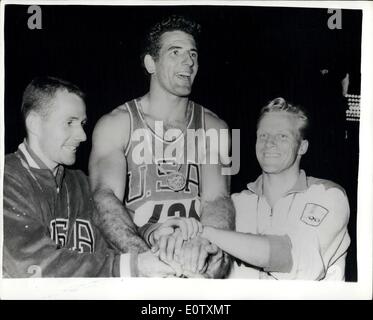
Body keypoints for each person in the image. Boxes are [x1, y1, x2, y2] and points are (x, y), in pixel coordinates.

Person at [89, 15, 235, 278]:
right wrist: (145, 259)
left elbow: (219, 200)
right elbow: (103, 197)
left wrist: (203, 245)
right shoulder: (114, 124)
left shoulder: (217, 127)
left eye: (193, 54)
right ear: (150, 63)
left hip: (194, 254)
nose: (188, 62)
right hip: (137, 250)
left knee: (218, 261)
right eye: (175, 52)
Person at [3, 76, 185, 278]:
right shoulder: (7, 178)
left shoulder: (81, 183)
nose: (82, 135)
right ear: (35, 124)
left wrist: (151, 233)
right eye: (69, 122)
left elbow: (112, 230)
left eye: (81, 123)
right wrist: (131, 267)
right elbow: (32, 266)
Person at [201, 97, 351, 280]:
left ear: (302, 147)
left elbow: (301, 264)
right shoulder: (235, 204)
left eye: (282, 136)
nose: (269, 143)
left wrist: (208, 232)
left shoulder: (328, 195)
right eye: (263, 135)